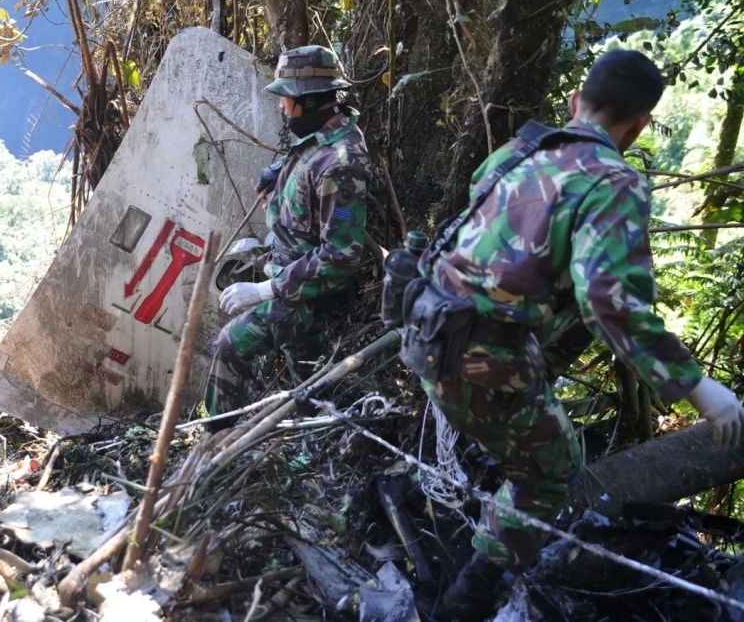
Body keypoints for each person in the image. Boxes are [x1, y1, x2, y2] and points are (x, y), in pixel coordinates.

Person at [398, 49, 744, 621]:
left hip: (426, 328)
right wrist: (698, 387)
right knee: (553, 474)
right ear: (640, 124)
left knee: (521, 435)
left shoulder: (518, 152)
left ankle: (479, 488)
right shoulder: (613, 179)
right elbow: (609, 299)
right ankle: (467, 598)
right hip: (480, 354)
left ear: (573, 101)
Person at [203, 45, 371, 429]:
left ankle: (215, 445)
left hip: (305, 296)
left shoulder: (341, 164)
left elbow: (341, 255)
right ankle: (316, 451)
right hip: (293, 284)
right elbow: (313, 159)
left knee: (230, 346)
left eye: (287, 100)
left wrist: (267, 291)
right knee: (311, 383)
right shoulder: (327, 132)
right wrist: (281, 170)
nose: (282, 108)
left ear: (309, 101)